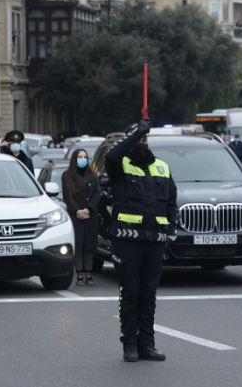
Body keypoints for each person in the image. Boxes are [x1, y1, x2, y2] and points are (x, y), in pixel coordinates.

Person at [105, 119, 177, 362]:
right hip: (127, 243)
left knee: (148, 295)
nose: (143, 142)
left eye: (145, 138)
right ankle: (129, 345)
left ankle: (147, 344)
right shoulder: (120, 165)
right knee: (130, 294)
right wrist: (134, 134)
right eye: (139, 139)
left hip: (154, 243)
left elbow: (171, 203)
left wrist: (171, 231)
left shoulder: (162, 168)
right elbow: (112, 155)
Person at [61, 148, 101, 285]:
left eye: (85, 157)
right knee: (78, 245)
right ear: (74, 159)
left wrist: (89, 208)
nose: (83, 159)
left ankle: (89, 273)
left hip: (90, 214)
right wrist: (77, 210)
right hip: (76, 215)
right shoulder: (66, 176)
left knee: (89, 245)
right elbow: (67, 197)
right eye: (80, 157)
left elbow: (97, 194)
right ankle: (79, 273)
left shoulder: (93, 175)